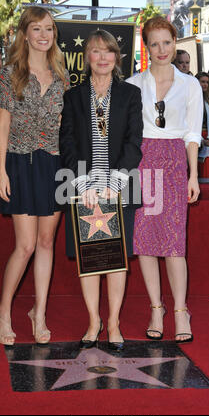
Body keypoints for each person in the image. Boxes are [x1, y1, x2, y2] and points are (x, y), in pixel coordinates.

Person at [0, 6, 70, 346]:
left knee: (47, 243)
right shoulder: (10, 74)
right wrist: (0, 170)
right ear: (25, 34)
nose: (43, 35)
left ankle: (40, 312)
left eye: (48, 29)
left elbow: (66, 127)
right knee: (25, 245)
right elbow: (2, 125)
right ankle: (3, 312)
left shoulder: (62, 77)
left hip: (54, 164)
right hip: (19, 163)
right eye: (36, 29)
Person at [60, 29, 143, 351]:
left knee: (116, 258)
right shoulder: (73, 97)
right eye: (96, 51)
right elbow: (66, 142)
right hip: (83, 188)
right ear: (87, 57)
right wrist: (83, 183)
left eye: (109, 51)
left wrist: (113, 182)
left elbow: (134, 142)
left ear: (116, 57)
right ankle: (94, 321)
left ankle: (114, 323)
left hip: (119, 188)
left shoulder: (130, 95)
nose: (103, 57)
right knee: (90, 258)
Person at [127, 16, 203, 343]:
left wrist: (193, 176)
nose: (162, 49)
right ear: (147, 46)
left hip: (174, 162)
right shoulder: (132, 85)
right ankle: (156, 307)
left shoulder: (191, 85)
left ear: (175, 43)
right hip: (142, 160)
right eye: (155, 43)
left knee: (174, 240)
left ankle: (181, 310)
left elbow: (192, 134)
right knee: (145, 238)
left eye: (167, 42)